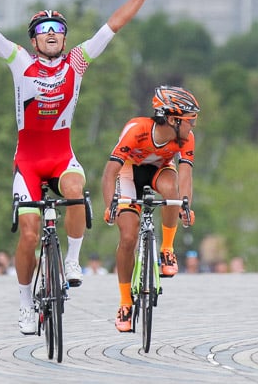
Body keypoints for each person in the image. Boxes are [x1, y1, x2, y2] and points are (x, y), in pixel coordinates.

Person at [0, 0, 167, 335]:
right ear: (32, 39)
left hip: (62, 157)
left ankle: (72, 262)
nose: (51, 34)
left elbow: (115, 24)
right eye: (42, 30)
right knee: (29, 235)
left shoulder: (78, 60)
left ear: (64, 37)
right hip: (27, 162)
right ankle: (26, 305)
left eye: (57, 29)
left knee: (76, 192)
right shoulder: (19, 60)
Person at [101, 86, 199, 332]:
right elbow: (110, 170)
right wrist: (109, 203)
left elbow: (185, 174)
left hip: (160, 170)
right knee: (128, 237)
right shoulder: (137, 129)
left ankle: (167, 249)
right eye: (190, 121)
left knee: (172, 192)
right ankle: (125, 302)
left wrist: (185, 205)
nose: (193, 127)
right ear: (172, 119)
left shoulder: (186, 139)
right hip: (128, 173)